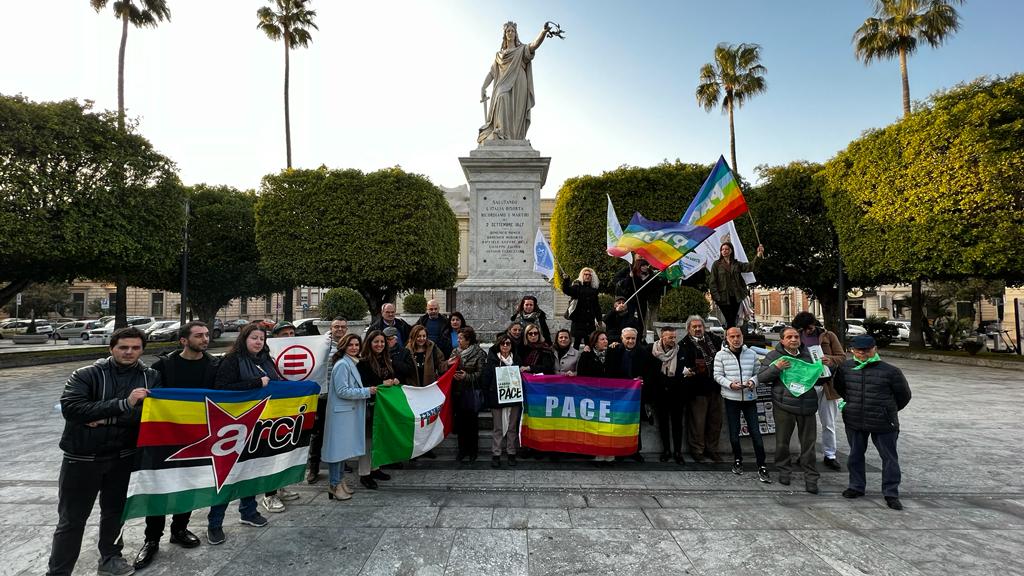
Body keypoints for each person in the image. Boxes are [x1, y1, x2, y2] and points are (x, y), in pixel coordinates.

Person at [47, 327, 155, 576]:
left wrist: (105, 418)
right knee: (72, 520)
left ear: (142, 350)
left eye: (135, 348)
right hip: (82, 458)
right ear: (111, 348)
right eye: (123, 347)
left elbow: (148, 416)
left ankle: (111, 558)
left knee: (115, 513)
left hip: (123, 456)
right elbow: (73, 409)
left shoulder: (151, 377)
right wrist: (123, 404)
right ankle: (59, 571)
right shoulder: (86, 374)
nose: (129, 352)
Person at [133, 322, 218, 571]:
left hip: (198, 435)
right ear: (183, 340)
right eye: (199, 335)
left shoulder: (214, 365)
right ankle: (151, 538)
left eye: (206, 334)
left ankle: (180, 529)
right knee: (160, 485)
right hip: (165, 436)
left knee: (189, 483)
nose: (205, 339)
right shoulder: (163, 366)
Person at [207, 324, 276, 542]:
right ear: (244, 339)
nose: (258, 342)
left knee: (252, 470)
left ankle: (249, 511)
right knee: (227, 475)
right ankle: (215, 523)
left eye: (262, 339)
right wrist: (256, 383)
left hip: (260, 425)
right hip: (233, 428)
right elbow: (221, 389)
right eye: (254, 338)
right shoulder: (233, 360)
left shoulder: (265, 360)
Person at [834, 335, 912, 510]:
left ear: (874, 349)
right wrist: (851, 404)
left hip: (883, 422)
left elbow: (904, 396)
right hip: (854, 419)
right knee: (855, 455)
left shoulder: (891, 371)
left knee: (889, 458)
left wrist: (886, 410)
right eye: (859, 350)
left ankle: (891, 493)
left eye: (867, 350)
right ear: (852, 351)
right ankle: (856, 486)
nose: (863, 353)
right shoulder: (845, 368)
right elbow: (840, 388)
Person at [757, 326, 821, 494]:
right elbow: (762, 378)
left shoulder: (811, 355)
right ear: (782, 340)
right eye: (790, 337)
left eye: (796, 337)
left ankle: (811, 477)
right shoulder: (773, 355)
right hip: (783, 405)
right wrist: (776, 368)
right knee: (782, 442)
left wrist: (827, 367)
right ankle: (784, 470)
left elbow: (823, 379)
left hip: (807, 405)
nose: (794, 340)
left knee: (809, 444)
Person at [322, 334, 379, 501]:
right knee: (337, 451)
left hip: (347, 413)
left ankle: (339, 481)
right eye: (350, 345)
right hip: (341, 414)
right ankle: (334, 484)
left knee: (342, 451)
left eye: (356, 345)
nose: (354, 348)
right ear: (343, 346)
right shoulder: (342, 365)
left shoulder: (351, 363)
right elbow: (342, 391)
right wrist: (367, 391)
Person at [477, 21, 552, 143]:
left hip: (519, 81)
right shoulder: (499, 55)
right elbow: (492, 73)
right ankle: (500, 132)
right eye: (508, 31)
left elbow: (533, 45)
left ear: (516, 34)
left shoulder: (521, 50)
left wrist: (543, 32)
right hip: (503, 84)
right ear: (505, 34)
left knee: (517, 113)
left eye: (512, 31)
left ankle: (515, 138)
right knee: (501, 97)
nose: (510, 33)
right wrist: (483, 87)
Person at [791, 311, 848, 471]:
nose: (805, 332)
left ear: (813, 325)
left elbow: (842, 356)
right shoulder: (797, 336)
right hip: (807, 384)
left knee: (828, 422)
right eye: (801, 330)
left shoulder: (828, 336)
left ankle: (830, 455)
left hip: (826, 385)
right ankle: (805, 454)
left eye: (807, 329)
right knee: (804, 423)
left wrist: (830, 359)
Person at [714, 327, 771, 483]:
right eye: (732, 336)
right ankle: (737, 459)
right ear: (727, 338)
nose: (735, 339)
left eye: (738, 336)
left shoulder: (751, 354)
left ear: (742, 337)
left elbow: (758, 373)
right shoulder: (720, 355)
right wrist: (730, 384)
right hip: (731, 398)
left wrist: (752, 382)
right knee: (734, 433)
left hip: (749, 397)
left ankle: (762, 464)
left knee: (756, 434)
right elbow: (717, 375)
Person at [259, 322, 301, 513]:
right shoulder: (265, 356)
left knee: (284, 448)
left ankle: (280, 485)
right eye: (285, 334)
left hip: (286, 407)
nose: (290, 336)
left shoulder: (294, 352)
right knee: (270, 451)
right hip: (268, 410)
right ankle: (269, 495)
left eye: (292, 333)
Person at [356, 330, 401, 488]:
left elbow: (392, 376)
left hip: (383, 408)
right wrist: (383, 383)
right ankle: (364, 474)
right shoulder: (363, 362)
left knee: (377, 439)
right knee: (367, 441)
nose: (380, 345)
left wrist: (395, 380)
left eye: (382, 342)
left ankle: (375, 468)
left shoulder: (386, 359)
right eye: (376, 342)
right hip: (369, 406)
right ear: (369, 343)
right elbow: (364, 384)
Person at [308, 317, 349, 484]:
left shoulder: (349, 345)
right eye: (336, 327)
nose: (339, 329)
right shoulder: (321, 345)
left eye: (342, 327)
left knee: (341, 432)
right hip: (323, 397)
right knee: (318, 434)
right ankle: (314, 467)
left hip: (341, 397)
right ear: (331, 328)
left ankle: (341, 463)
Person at [679, 316, 724, 463]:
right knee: (697, 423)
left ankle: (713, 449)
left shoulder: (715, 340)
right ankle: (697, 450)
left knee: (715, 421)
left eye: (700, 326)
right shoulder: (684, 344)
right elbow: (683, 365)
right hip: (697, 390)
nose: (698, 329)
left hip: (716, 387)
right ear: (688, 329)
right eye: (694, 327)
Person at [481, 333, 523, 468]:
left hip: (513, 398)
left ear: (511, 346)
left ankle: (511, 452)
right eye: (503, 343)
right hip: (497, 400)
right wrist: (488, 398)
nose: (505, 346)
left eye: (508, 343)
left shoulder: (517, 360)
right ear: (498, 345)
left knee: (512, 428)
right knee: (498, 428)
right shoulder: (492, 361)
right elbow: (485, 381)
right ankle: (496, 454)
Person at [649, 326, 687, 464]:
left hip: (677, 393)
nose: (673, 340)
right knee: (663, 424)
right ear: (662, 337)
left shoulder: (681, 351)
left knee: (677, 424)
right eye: (670, 337)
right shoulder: (651, 350)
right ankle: (666, 450)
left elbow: (685, 370)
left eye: (674, 337)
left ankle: (677, 452)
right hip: (660, 394)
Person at [609, 327, 648, 463]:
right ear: (622, 338)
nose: (631, 341)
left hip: (636, 395)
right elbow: (610, 371)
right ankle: (620, 450)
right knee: (619, 422)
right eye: (628, 338)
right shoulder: (614, 351)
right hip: (619, 394)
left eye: (633, 338)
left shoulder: (643, 352)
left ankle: (635, 450)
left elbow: (648, 371)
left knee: (635, 423)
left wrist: (642, 380)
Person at [449, 327, 486, 463]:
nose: (458, 341)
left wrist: (466, 376)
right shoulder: (454, 352)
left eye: (460, 338)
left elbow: (481, 374)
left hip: (471, 392)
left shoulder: (479, 353)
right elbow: (449, 368)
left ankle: (473, 451)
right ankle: (462, 450)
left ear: (468, 340)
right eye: (458, 338)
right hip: (457, 392)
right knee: (460, 423)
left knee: (472, 424)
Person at [707, 241, 765, 329]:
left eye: (727, 249)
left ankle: (729, 338)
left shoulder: (736, 264)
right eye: (722, 249)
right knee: (729, 319)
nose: (724, 251)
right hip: (722, 297)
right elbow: (712, 282)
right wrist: (716, 297)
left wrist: (758, 254)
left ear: (731, 251)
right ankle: (730, 338)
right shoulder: (717, 264)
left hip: (736, 297)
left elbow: (750, 267)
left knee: (732, 320)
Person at [614, 258, 666, 336]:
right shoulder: (633, 274)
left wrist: (665, 281)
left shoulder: (650, 275)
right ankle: (628, 334)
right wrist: (629, 277)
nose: (645, 267)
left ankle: (641, 335)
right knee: (630, 318)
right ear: (639, 266)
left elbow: (657, 285)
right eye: (643, 266)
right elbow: (625, 285)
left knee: (642, 318)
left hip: (642, 300)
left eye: (646, 265)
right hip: (632, 299)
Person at [561, 267, 603, 348]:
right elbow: (567, 290)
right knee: (576, 343)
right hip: (578, 321)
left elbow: (596, 306)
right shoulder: (577, 286)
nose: (587, 276)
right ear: (582, 276)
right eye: (585, 274)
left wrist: (599, 319)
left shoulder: (594, 290)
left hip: (589, 321)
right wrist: (566, 281)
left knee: (590, 343)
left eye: (589, 275)